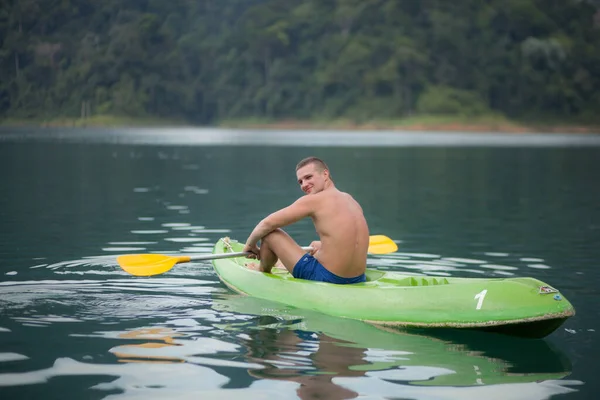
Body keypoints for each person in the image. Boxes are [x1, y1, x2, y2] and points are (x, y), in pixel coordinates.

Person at [242, 156, 369, 284]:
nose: (304, 185)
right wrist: (322, 246)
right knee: (316, 246)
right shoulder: (351, 200)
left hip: (328, 278)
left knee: (270, 234)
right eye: (300, 182)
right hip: (358, 278)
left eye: (308, 177)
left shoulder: (313, 200)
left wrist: (250, 245)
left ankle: (262, 270)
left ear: (325, 174)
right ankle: (279, 263)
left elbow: (267, 223)